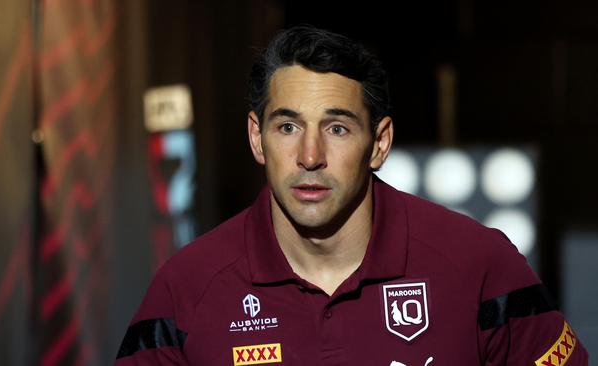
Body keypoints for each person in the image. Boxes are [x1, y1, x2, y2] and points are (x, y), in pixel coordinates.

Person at [115, 25, 588, 365]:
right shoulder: (189, 287)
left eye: (337, 128)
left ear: (379, 143)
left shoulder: (478, 263)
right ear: (257, 138)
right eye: (288, 126)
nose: (310, 155)